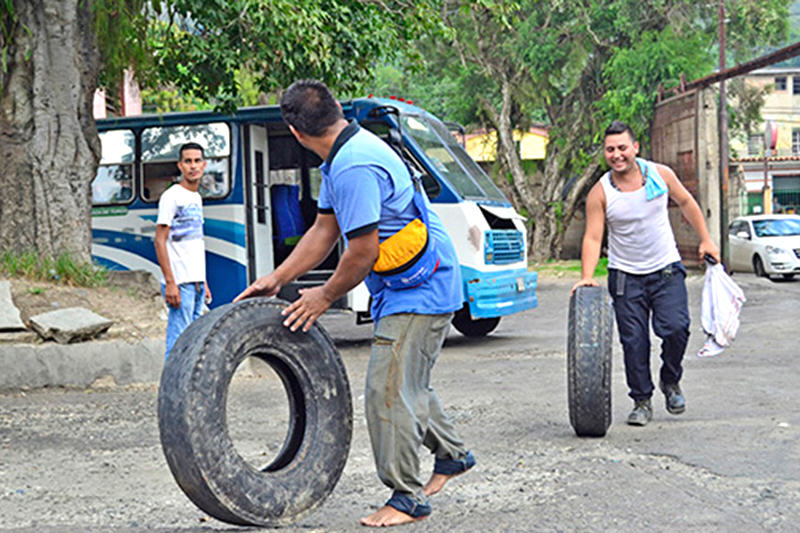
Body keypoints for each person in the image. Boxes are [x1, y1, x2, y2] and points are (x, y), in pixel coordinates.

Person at [234, 79, 474, 527]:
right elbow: (324, 232)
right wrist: (278, 278)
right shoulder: (343, 154)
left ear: (296, 132)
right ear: (336, 110)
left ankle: (407, 498)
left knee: (387, 390)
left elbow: (361, 251)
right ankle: (453, 456)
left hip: (422, 290)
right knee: (407, 380)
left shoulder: (353, 166)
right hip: (408, 284)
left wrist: (324, 296)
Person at [571, 120, 720, 427]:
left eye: (622, 148)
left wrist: (706, 239)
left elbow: (687, 202)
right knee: (634, 342)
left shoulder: (659, 174)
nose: (616, 155)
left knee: (677, 329)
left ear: (635, 148)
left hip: (666, 269)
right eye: (610, 149)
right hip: (625, 276)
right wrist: (587, 275)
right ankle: (641, 400)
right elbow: (592, 237)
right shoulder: (600, 193)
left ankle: (670, 380)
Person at [154, 142, 211, 359]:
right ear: (180, 165)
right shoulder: (172, 196)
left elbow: (195, 243)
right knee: (178, 343)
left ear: (204, 165)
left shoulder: (196, 198)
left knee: (193, 343)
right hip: (180, 283)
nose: (193, 166)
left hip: (195, 282)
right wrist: (170, 282)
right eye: (188, 161)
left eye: (197, 161)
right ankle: (171, 390)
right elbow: (160, 241)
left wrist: (203, 281)